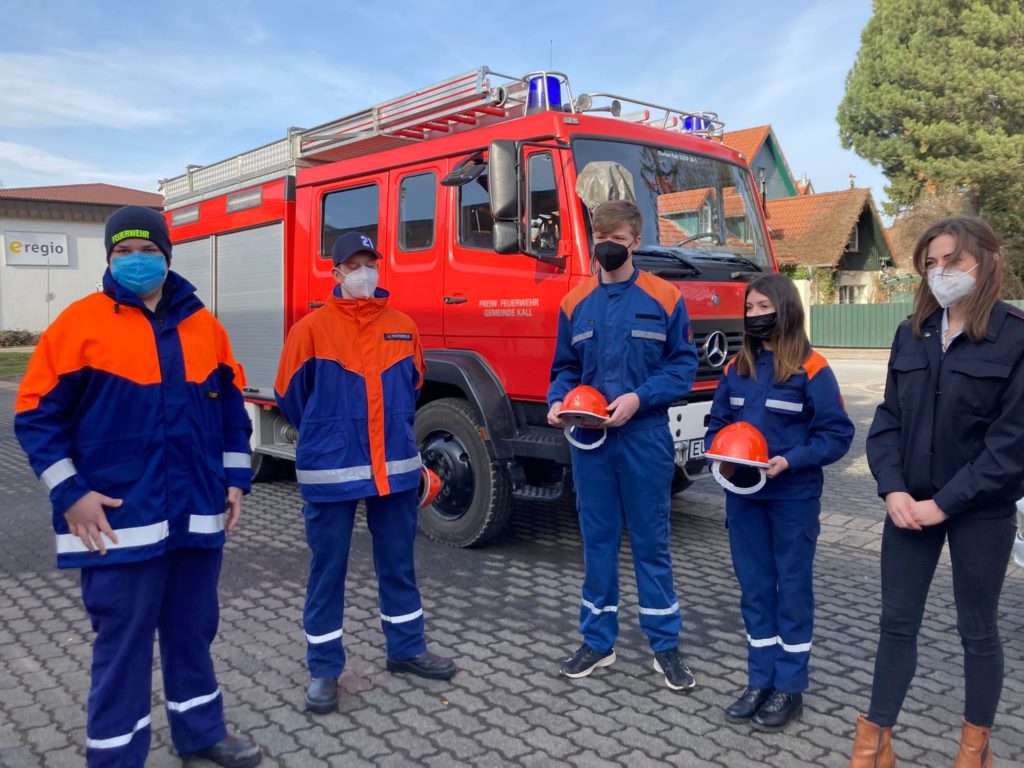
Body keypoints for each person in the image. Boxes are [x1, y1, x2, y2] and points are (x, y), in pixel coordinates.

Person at [14, 206, 262, 768]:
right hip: (116, 522)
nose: (136, 261)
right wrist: (70, 493)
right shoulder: (78, 325)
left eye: (147, 250)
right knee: (122, 645)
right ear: (108, 259)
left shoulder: (205, 325)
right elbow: (34, 415)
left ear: (167, 256)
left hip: (196, 513)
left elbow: (231, 415)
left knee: (193, 630)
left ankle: (200, 732)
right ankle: (116, 756)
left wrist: (235, 480)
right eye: (122, 252)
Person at [849, 218, 1024, 768]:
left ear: (987, 262)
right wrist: (891, 490)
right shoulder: (913, 331)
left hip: (980, 511)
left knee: (978, 629)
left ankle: (975, 749)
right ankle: (874, 743)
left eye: (952, 260)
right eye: (930, 264)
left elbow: (1011, 444)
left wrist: (944, 503)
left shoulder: (1017, 337)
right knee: (896, 623)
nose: (940, 273)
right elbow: (888, 421)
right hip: (908, 508)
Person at [274, 231, 456, 715]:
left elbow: (413, 386)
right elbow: (289, 398)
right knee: (326, 571)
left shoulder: (403, 326)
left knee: (398, 564)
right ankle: (324, 669)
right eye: (353, 265)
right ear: (335, 274)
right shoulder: (309, 330)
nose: (363, 273)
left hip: (394, 472)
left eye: (369, 263)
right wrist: (331, 429)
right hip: (331, 473)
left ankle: (406, 650)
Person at [547, 200, 699, 689]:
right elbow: (565, 367)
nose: (607, 249)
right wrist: (557, 400)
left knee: (652, 542)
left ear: (636, 242)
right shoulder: (575, 302)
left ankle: (665, 646)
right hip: (589, 440)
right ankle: (597, 641)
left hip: (644, 435)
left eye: (617, 241)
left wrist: (639, 397)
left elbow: (682, 367)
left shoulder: (665, 297)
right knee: (598, 543)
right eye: (601, 239)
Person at [704, 274, 853, 730]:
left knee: (791, 592)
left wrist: (792, 460)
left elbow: (838, 434)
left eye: (762, 306)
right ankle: (759, 681)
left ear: (785, 309)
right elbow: (717, 425)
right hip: (744, 498)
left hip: (792, 497)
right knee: (755, 590)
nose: (754, 316)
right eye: (749, 308)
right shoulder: (736, 369)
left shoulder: (813, 369)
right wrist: (720, 458)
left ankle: (790, 687)